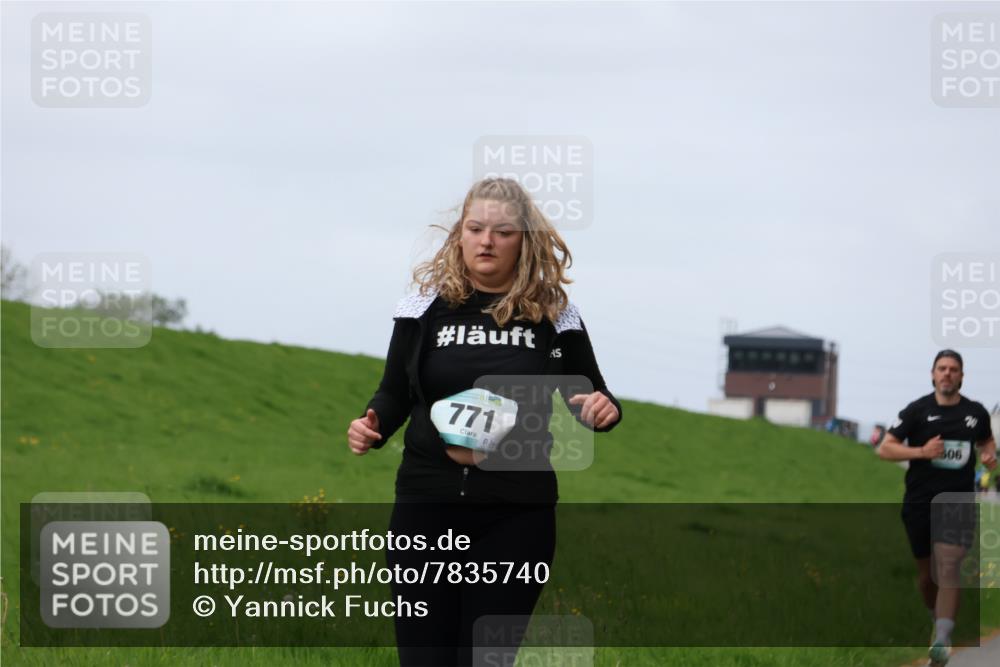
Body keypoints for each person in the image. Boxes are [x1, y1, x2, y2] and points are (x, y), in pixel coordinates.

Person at [346, 177, 623, 667]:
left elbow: (588, 393)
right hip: (426, 508)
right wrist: (372, 424)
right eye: (475, 228)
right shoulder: (423, 308)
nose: (486, 241)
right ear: (460, 235)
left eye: (502, 231)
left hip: (515, 516)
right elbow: (394, 392)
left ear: (525, 241)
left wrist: (602, 410)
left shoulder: (554, 315)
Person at [877, 350, 996, 667]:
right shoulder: (916, 411)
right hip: (919, 502)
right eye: (942, 368)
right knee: (927, 577)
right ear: (932, 374)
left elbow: (986, 441)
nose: (947, 374)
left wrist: (988, 455)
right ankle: (936, 617)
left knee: (949, 566)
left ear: (961, 376)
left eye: (953, 369)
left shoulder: (976, 413)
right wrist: (921, 451)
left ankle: (943, 639)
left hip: (957, 502)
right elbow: (884, 448)